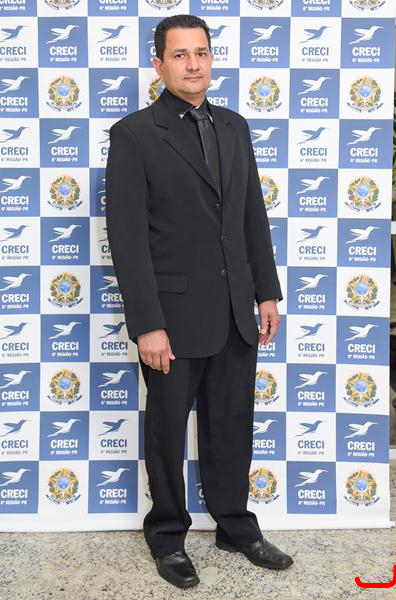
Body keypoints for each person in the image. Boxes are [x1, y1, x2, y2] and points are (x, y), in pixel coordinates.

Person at [105, 14, 293, 589]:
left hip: (237, 309)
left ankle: (235, 526)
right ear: (158, 64)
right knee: (166, 430)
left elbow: (251, 215)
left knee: (233, 424)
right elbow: (128, 240)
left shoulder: (234, 126)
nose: (193, 64)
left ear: (212, 59)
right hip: (172, 317)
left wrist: (266, 291)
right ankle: (167, 535)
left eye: (202, 53)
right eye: (180, 55)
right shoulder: (135, 134)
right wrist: (147, 324)